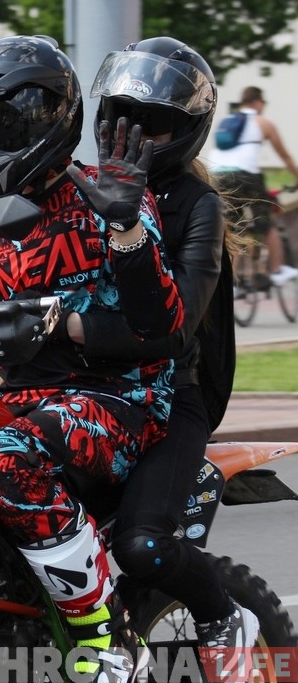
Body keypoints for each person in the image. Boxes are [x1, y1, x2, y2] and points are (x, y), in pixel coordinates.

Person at [0, 35, 183, 683]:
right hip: (22, 401)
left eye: (4, 120)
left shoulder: (111, 196)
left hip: (119, 400)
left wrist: (127, 229)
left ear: (51, 117)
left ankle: (106, 635)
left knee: (3, 458)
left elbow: (160, 325)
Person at [80, 38, 259, 679]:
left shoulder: (195, 206)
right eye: (120, 119)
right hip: (81, 391)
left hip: (169, 397)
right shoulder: (75, 190)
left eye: (150, 125)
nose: (131, 137)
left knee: (142, 545)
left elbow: (173, 325)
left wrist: (72, 327)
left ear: (185, 131)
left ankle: (224, 616)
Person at [211, 85, 298, 286]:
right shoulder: (262, 122)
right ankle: (277, 271)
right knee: (266, 222)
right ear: (257, 102)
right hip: (246, 175)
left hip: (219, 175)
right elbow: (284, 155)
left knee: (234, 227)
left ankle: (232, 283)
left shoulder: (227, 122)